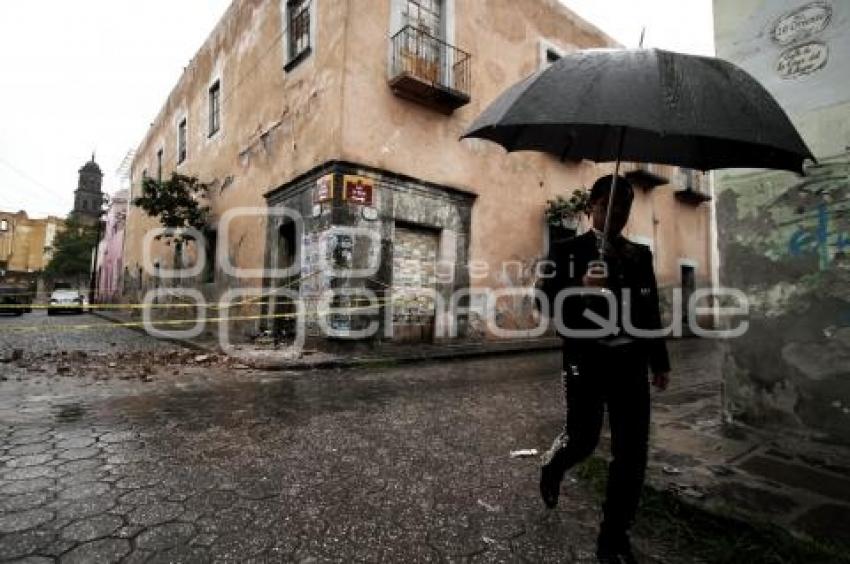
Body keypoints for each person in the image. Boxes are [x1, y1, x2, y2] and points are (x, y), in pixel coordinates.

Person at [538, 174, 671, 564]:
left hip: (630, 365)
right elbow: (545, 303)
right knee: (583, 439)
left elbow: (649, 311)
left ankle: (613, 537)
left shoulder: (639, 255)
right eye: (610, 206)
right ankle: (553, 466)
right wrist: (580, 286)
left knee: (632, 454)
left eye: (626, 208)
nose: (618, 214)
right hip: (586, 363)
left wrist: (659, 360)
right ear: (591, 206)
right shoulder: (566, 250)